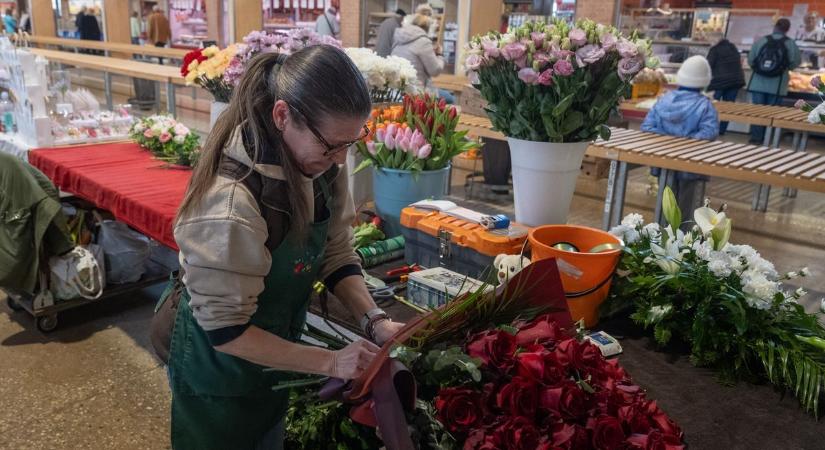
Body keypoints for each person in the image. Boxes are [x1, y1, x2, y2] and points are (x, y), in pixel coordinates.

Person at [155, 46, 404, 449]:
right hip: (219, 375)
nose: (341, 159)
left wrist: (373, 319)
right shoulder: (231, 203)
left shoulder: (320, 165)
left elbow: (336, 252)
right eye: (331, 145)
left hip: (273, 357)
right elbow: (228, 331)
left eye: (350, 143)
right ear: (283, 116)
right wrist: (330, 361)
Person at [642, 55, 719, 219]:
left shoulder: (663, 100)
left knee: (665, 202)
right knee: (687, 207)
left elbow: (647, 127)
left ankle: (661, 234)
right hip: (691, 164)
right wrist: (686, 143)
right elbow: (709, 132)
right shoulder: (705, 105)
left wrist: (668, 142)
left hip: (663, 162)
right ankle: (681, 240)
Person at [747, 18, 801, 144]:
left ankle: (756, 138)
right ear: (787, 29)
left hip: (758, 83)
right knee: (772, 113)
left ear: (775, 27)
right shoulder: (790, 43)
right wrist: (783, 69)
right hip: (777, 85)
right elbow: (795, 62)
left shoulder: (762, 40)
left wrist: (761, 69)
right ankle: (767, 138)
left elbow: (751, 59)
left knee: (758, 112)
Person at [392, 14, 454, 103]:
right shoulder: (423, 41)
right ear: (427, 28)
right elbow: (435, 70)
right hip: (417, 92)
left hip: (397, 92)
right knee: (451, 98)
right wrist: (440, 55)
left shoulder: (398, 39)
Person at [707, 38, 744, 135]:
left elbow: (708, 65)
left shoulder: (714, 50)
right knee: (728, 107)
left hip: (719, 82)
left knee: (713, 106)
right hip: (735, 82)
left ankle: (711, 128)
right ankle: (722, 130)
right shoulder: (734, 48)